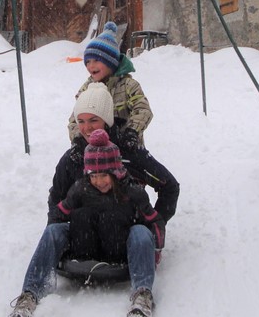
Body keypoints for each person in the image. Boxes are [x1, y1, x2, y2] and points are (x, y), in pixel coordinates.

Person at [7, 130, 164, 317]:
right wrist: (53, 244)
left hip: (119, 250)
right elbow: (58, 215)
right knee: (54, 230)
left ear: (115, 172)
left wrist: (154, 250)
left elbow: (154, 221)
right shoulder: (80, 189)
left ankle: (142, 294)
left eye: (104, 175)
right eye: (93, 176)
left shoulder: (132, 192)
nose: (99, 181)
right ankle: (29, 294)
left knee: (141, 232)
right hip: (83, 246)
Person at [51, 81, 179, 223]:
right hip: (83, 233)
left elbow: (169, 186)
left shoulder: (128, 152)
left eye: (93, 120)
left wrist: (155, 225)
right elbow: (56, 196)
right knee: (54, 232)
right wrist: (58, 225)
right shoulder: (74, 156)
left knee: (140, 236)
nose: (86, 128)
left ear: (106, 121)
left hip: (125, 233)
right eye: (81, 121)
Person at [67, 21, 152, 149]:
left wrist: (131, 132)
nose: (91, 66)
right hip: (96, 148)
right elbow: (75, 119)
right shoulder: (86, 89)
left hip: (127, 146)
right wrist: (78, 139)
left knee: (150, 168)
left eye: (96, 60)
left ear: (111, 62)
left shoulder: (128, 85)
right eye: (88, 62)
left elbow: (143, 110)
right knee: (67, 164)